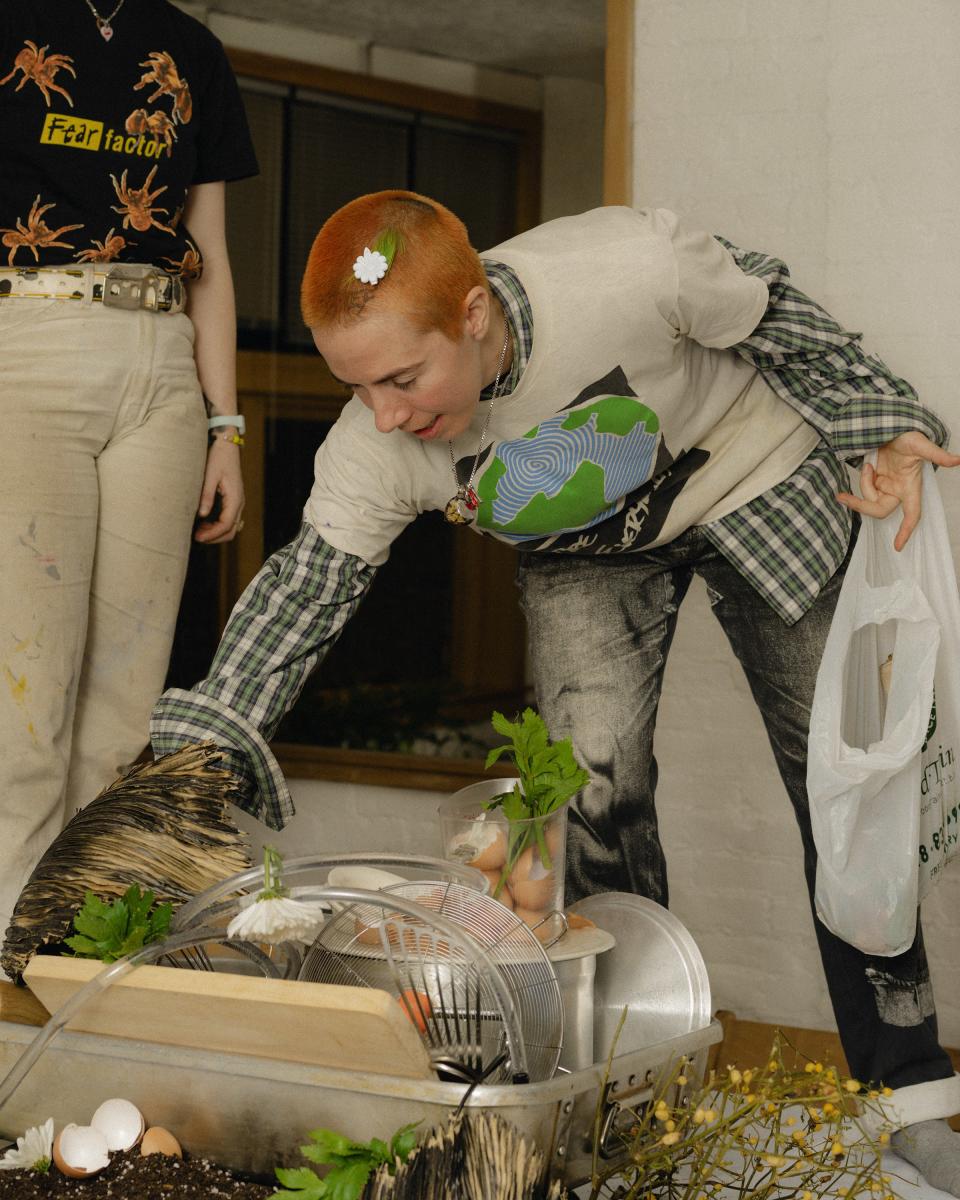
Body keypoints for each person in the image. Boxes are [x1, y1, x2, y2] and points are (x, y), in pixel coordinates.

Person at [151, 190, 960, 1192]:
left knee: (840, 789)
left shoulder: (628, 267)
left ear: (475, 314)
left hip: (746, 470)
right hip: (585, 555)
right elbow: (305, 592)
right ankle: (639, 1093)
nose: (388, 415)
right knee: (589, 796)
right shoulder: (380, 444)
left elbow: (776, 313)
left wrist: (878, 422)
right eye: (357, 389)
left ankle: (912, 1087)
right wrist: (202, 747)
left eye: (404, 378)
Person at [0, 0, 256, 958]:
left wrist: (225, 426)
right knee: (24, 705)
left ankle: (74, 962)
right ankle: (7, 978)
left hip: (164, 363)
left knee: (122, 716)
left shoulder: (192, 51)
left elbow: (214, 259)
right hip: (27, 338)